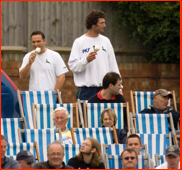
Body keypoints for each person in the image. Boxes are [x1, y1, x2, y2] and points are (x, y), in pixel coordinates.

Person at [68, 9, 122, 100]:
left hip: (106, 90)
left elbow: (113, 65)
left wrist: (120, 87)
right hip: (86, 91)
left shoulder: (106, 41)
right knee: (86, 115)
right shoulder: (79, 42)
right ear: (93, 25)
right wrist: (86, 60)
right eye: (102, 23)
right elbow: (73, 67)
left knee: (107, 114)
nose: (104, 25)